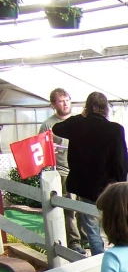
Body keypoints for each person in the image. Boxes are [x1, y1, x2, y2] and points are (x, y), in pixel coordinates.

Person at [53, 91, 128, 256]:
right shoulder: (115, 129)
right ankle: (119, 255)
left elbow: (57, 128)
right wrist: (121, 183)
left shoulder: (77, 125)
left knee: (92, 226)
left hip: (86, 187)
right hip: (110, 186)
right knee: (114, 222)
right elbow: (122, 161)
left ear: (87, 107)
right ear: (106, 108)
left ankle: (98, 259)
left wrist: (82, 116)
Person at [38, 88, 87, 255]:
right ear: (53, 104)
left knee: (84, 205)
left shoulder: (79, 120)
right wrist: (49, 148)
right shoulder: (48, 124)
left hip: (81, 169)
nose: (65, 103)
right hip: (62, 171)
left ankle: (86, 238)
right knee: (69, 208)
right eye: (61, 101)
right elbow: (40, 148)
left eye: (67, 99)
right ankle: (74, 242)